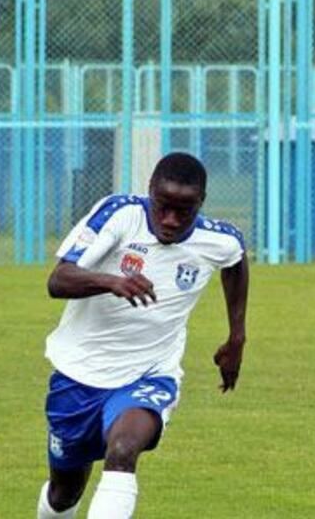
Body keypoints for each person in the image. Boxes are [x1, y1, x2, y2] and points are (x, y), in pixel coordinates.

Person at [34, 152, 249, 519]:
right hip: (78, 374)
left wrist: (236, 338)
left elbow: (236, 261)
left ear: (201, 202)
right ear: (150, 191)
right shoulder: (120, 214)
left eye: (184, 211)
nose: (171, 220)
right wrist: (112, 282)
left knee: (122, 451)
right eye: (163, 207)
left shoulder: (218, 239)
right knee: (63, 494)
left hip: (149, 374)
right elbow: (59, 280)